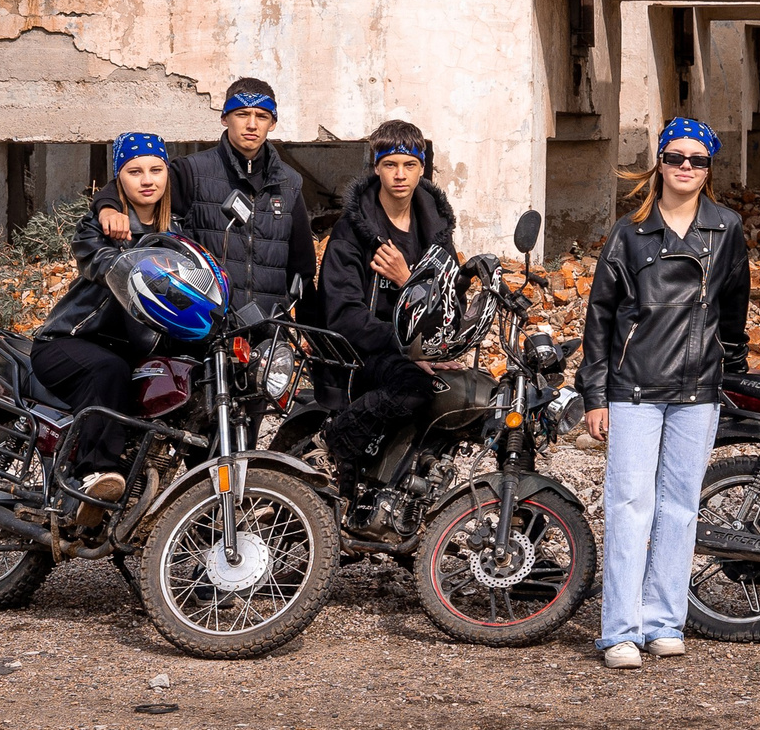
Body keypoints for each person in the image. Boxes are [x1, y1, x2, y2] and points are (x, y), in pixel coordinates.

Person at [578, 118, 750, 671]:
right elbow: (599, 315)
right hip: (633, 386)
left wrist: (731, 370)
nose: (685, 168)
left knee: (679, 509)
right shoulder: (628, 232)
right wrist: (595, 393)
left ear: (709, 170)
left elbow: (735, 310)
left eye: (697, 161)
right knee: (629, 506)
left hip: (698, 387)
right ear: (659, 162)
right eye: (675, 158)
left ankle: (664, 622)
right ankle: (620, 630)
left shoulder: (727, 229)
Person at [32, 132, 178, 520]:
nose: (147, 179)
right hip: (70, 341)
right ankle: (91, 475)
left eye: (156, 169)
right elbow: (101, 264)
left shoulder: (179, 232)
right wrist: (109, 215)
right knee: (109, 368)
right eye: (134, 171)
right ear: (119, 180)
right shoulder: (96, 228)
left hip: (131, 348)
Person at [315, 121, 458, 506]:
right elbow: (343, 313)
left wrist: (406, 280)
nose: (400, 175)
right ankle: (336, 442)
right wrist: (406, 350)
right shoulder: (352, 230)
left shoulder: (437, 230)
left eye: (409, 165)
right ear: (376, 167)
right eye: (390, 164)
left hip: (416, 349)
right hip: (362, 349)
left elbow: (448, 302)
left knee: (463, 394)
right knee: (413, 386)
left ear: (422, 168)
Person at [98, 78, 314, 320]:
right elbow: (139, 185)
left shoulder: (290, 182)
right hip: (207, 325)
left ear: (272, 123)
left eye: (262, 117)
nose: (252, 124)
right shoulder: (192, 171)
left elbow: (302, 268)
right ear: (224, 118)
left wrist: (316, 342)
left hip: (269, 328)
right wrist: (108, 207)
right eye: (242, 114)